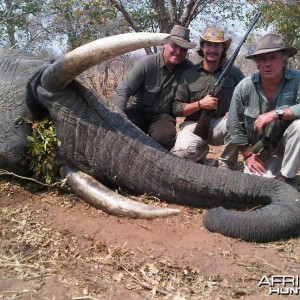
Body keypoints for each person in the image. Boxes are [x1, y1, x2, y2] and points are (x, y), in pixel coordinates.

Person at [227, 33, 300, 182]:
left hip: (287, 146)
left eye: (272, 57)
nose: (267, 64)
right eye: (262, 59)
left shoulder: (297, 80)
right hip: (259, 150)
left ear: (283, 60)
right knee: (258, 183)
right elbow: (233, 125)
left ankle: (287, 177)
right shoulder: (244, 87)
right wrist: (248, 154)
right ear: (257, 64)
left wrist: (276, 113)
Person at [113, 25, 196, 150]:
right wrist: (115, 118)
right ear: (165, 45)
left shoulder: (189, 68)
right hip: (138, 111)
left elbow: (201, 89)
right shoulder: (147, 63)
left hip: (163, 116)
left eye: (183, 49)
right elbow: (123, 90)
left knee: (165, 138)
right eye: (174, 46)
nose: (178, 52)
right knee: (123, 133)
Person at [171, 27, 244, 167]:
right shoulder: (189, 74)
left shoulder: (234, 72)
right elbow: (177, 108)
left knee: (237, 123)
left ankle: (226, 166)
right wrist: (200, 105)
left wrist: (236, 111)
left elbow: (248, 97)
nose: (212, 50)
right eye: (208, 45)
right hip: (193, 124)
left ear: (223, 49)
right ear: (202, 47)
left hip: (222, 124)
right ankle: (200, 152)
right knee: (182, 155)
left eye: (217, 46)